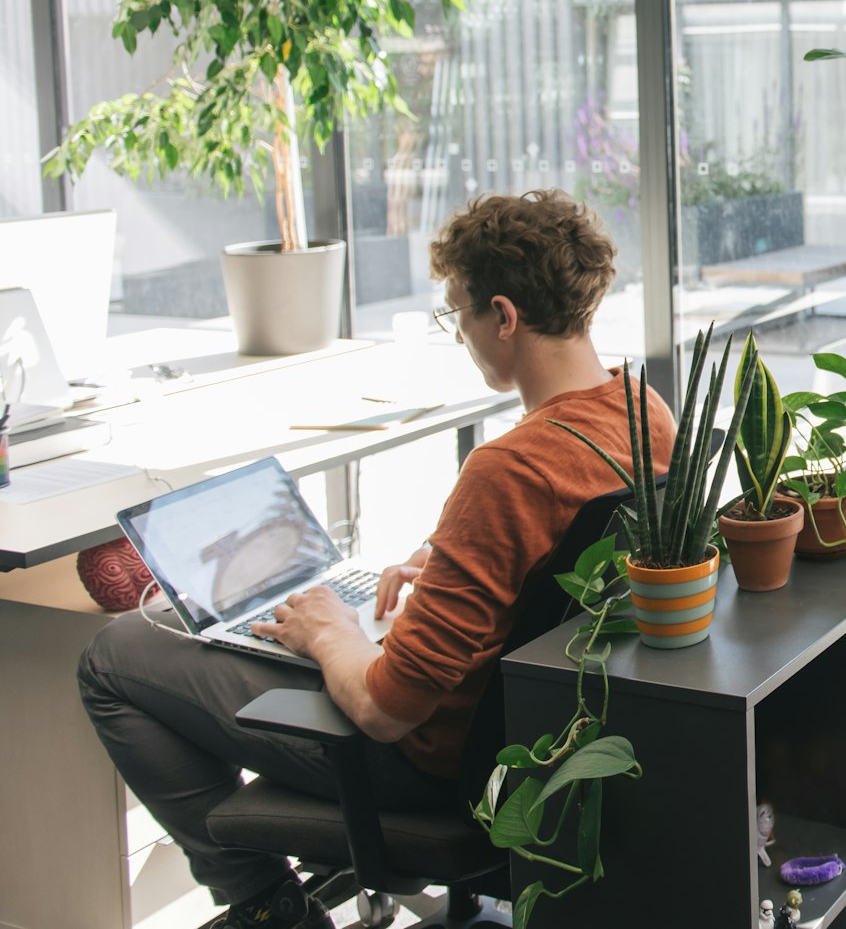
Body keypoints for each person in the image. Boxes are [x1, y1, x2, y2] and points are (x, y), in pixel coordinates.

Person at [78, 190, 673, 929]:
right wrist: (449, 559)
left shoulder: (507, 470)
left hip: (426, 761)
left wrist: (329, 630)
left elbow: (386, 709)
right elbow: (554, 539)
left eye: (457, 314)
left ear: (504, 316)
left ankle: (265, 902)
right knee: (233, 622)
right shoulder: (644, 412)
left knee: (116, 656)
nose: (459, 333)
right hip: (536, 735)